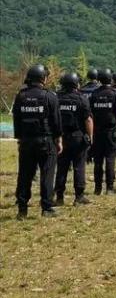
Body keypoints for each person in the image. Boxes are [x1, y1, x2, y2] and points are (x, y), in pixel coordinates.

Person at [12, 64, 62, 219]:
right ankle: (46, 208)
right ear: (43, 78)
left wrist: (20, 138)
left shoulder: (21, 96)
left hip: (26, 141)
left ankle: (22, 208)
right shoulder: (50, 96)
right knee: (47, 174)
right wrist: (58, 140)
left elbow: (17, 119)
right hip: (45, 141)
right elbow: (56, 122)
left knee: (25, 174)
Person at [55, 72, 93, 206]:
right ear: (76, 83)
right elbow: (88, 119)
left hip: (61, 137)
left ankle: (59, 197)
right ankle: (79, 196)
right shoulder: (81, 98)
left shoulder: (57, 98)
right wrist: (90, 136)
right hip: (77, 136)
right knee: (79, 166)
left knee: (61, 167)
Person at [89, 68, 116, 195]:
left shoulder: (94, 95)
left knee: (98, 160)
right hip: (111, 131)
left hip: (97, 132)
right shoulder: (115, 94)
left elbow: (90, 115)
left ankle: (97, 188)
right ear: (111, 79)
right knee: (110, 159)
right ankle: (109, 187)